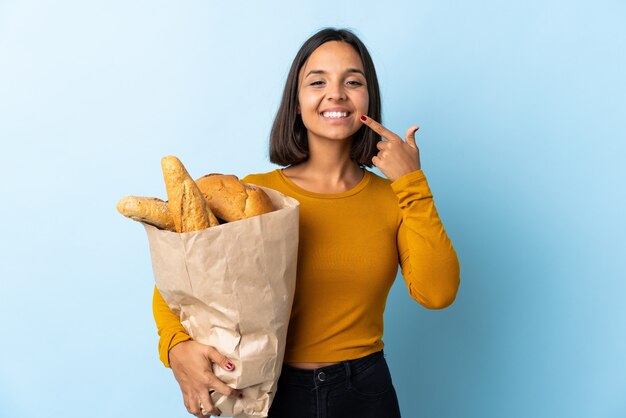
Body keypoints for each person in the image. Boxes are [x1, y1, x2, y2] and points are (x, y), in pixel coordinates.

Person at [152, 27, 460, 417]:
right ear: (297, 103)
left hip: (365, 394)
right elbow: (178, 284)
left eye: (353, 81)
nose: (336, 93)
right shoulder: (253, 197)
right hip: (266, 392)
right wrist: (176, 347)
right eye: (318, 81)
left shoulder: (396, 197)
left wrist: (411, 183)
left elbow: (438, 292)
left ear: (368, 99)